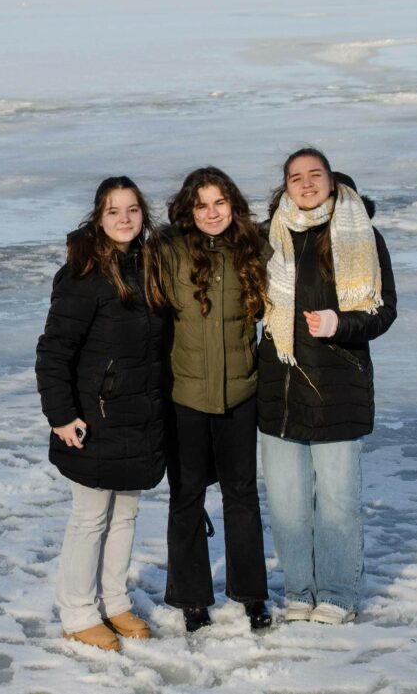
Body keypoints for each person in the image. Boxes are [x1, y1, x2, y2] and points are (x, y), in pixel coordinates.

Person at [257, 148, 397, 625]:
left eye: (315, 174)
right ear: (285, 186)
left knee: (337, 503)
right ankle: (299, 591)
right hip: (279, 388)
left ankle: (338, 594)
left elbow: (383, 311)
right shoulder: (269, 237)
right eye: (296, 176)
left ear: (332, 180)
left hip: (338, 387)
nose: (306, 183)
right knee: (287, 504)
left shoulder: (361, 234)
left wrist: (341, 323)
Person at [36, 176, 168, 652]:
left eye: (132, 209)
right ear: (98, 217)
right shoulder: (83, 274)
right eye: (114, 211)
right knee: (90, 519)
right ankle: (77, 612)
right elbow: (54, 352)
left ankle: (114, 602)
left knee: (125, 515)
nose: (125, 219)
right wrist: (61, 415)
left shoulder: (150, 267)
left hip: (139, 417)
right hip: (93, 420)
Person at [155, 167, 272, 632]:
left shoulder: (254, 247)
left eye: (219, 202)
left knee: (242, 495)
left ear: (233, 204)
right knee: (186, 495)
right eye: (201, 205)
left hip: (240, 392)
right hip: (185, 394)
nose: (211, 213)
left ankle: (251, 594)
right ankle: (192, 599)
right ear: (188, 210)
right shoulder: (168, 250)